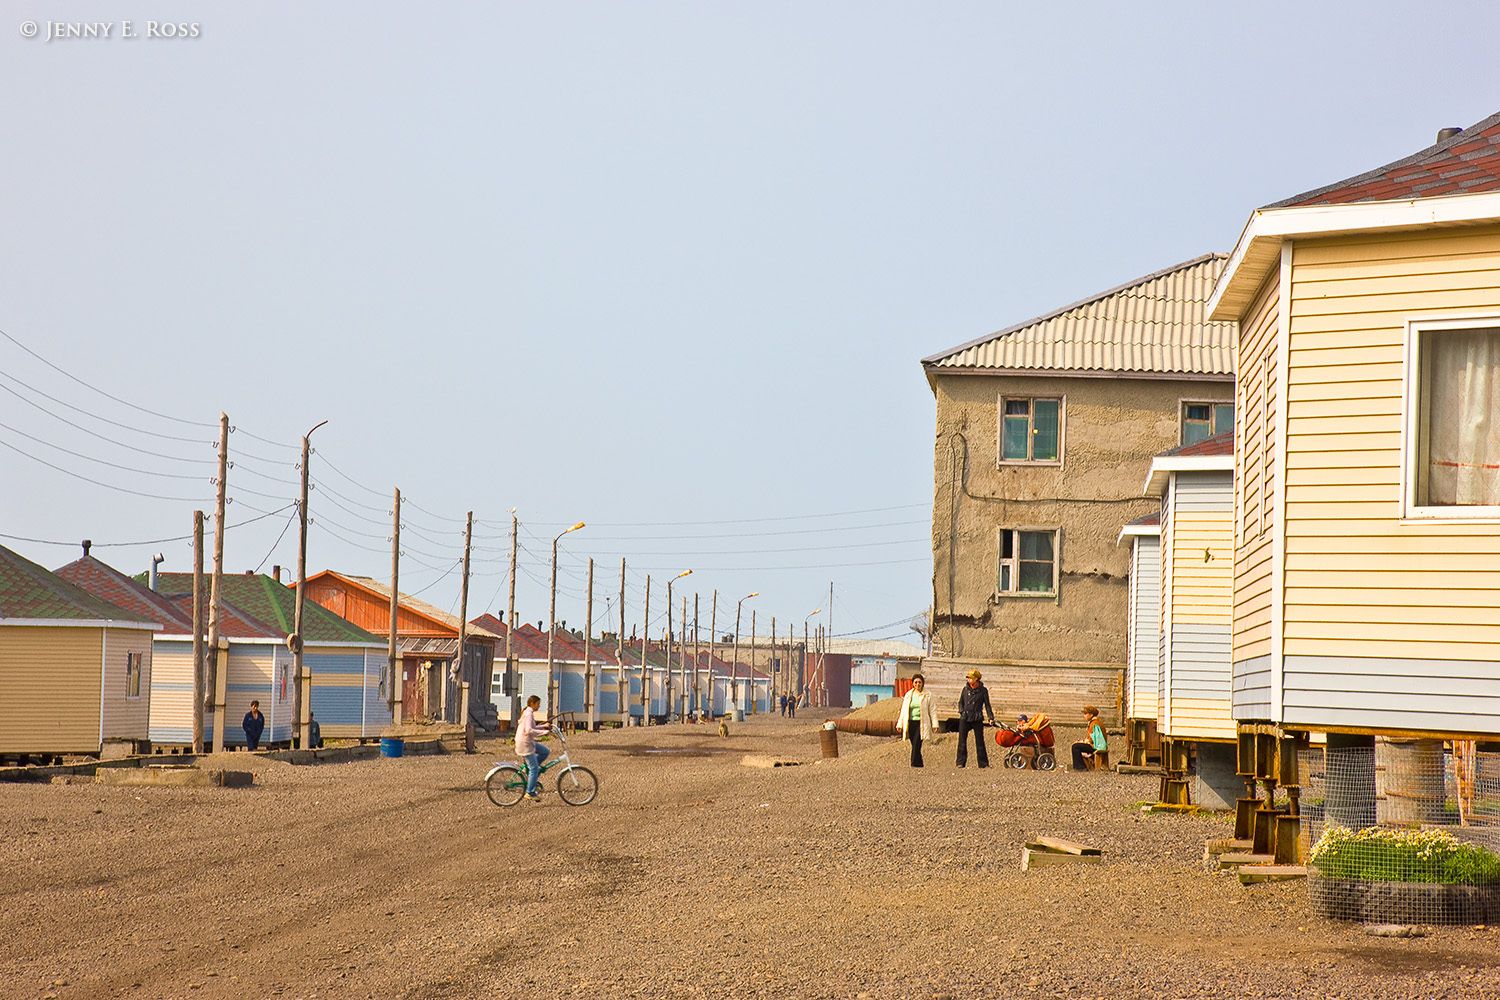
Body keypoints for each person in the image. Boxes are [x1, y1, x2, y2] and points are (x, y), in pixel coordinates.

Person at [894, 673, 938, 768]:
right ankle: (919, 764)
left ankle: (913, 764)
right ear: (913, 683)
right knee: (914, 743)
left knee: (917, 742)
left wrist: (935, 724)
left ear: (923, 683)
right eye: (916, 682)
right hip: (911, 722)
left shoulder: (928, 695)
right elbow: (904, 711)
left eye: (919, 682)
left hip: (922, 723)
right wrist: (899, 724)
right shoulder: (909, 695)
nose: (918, 684)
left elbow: (932, 710)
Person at [955, 669, 996, 768]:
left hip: (977, 717)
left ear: (976, 679)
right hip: (965, 717)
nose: (969, 680)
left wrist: (990, 717)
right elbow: (961, 702)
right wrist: (961, 711)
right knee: (962, 741)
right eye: (968, 678)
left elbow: (987, 705)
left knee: (980, 741)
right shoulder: (965, 689)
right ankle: (960, 762)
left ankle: (983, 764)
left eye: (971, 678)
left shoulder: (983, 690)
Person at [515, 694, 551, 801]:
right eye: (538, 704)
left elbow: (533, 727)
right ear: (532, 703)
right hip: (525, 744)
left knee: (545, 751)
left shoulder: (528, 712)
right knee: (534, 768)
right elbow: (529, 730)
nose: (539, 706)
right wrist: (544, 732)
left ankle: (532, 772)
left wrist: (544, 726)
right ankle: (530, 792)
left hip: (527, 742)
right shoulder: (528, 714)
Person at [1071, 705, 1109, 771]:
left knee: (1075, 746)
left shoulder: (1095, 724)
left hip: (1096, 746)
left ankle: (1080, 767)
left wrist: (1085, 742)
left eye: (1086, 714)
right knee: (1077, 745)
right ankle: (1080, 766)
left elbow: (1096, 739)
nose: (1084, 716)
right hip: (1096, 745)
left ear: (1091, 715)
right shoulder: (1095, 723)